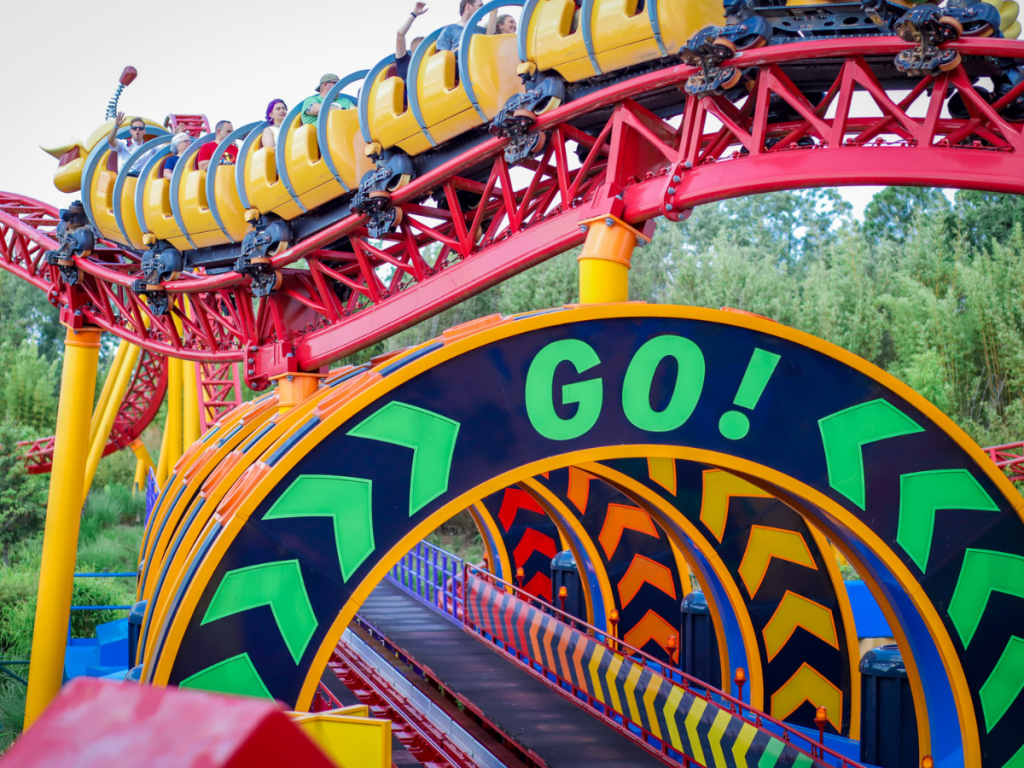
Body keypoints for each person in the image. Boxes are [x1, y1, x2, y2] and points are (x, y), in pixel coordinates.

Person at [396, 2, 428, 81]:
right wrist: (414, 14)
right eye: (418, 48)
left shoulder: (430, 62)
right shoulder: (404, 61)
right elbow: (400, 34)